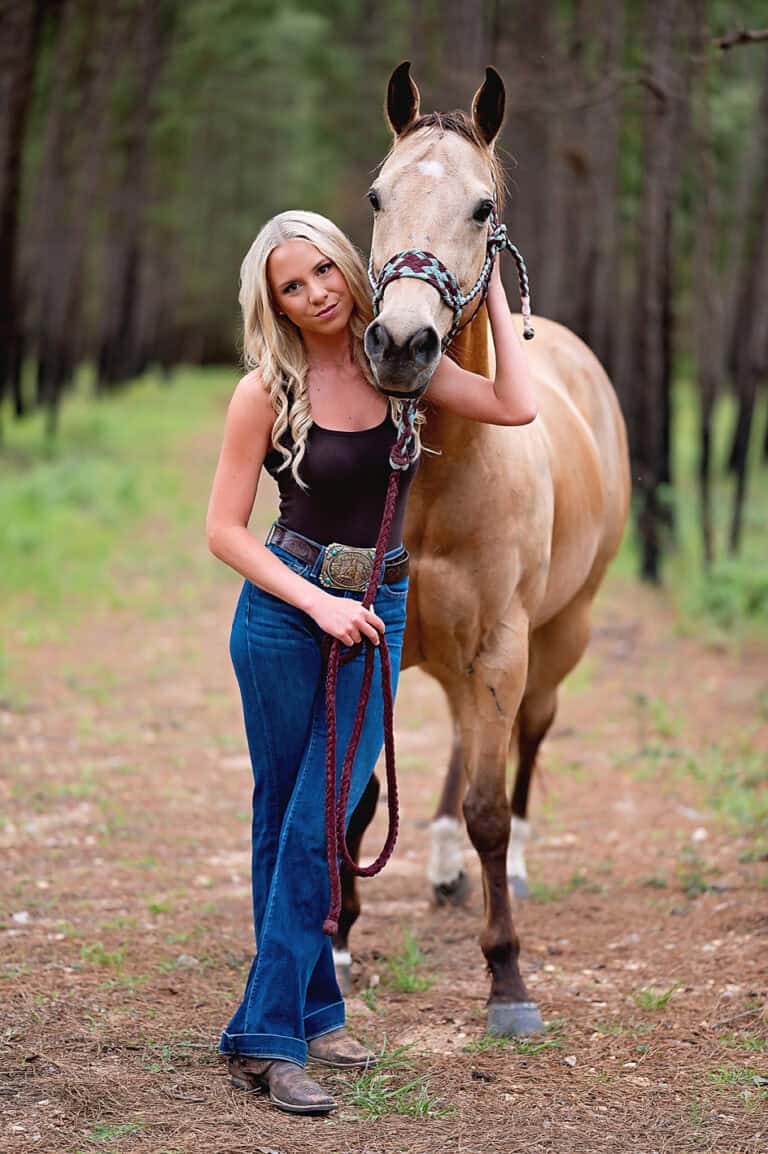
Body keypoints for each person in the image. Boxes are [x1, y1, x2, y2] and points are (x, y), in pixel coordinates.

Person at [206, 209, 537, 1115]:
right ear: (271, 302)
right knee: (290, 820)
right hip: (287, 612)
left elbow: (516, 403)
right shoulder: (265, 390)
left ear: (351, 269)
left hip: (374, 610)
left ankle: (293, 1017)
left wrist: (496, 287)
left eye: (322, 272)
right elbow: (223, 531)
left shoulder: (406, 370)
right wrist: (315, 601)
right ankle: (282, 1031)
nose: (314, 294)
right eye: (291, 285)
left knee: (320, 817)